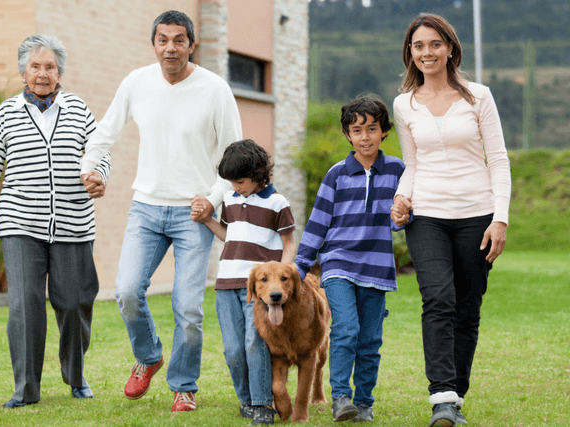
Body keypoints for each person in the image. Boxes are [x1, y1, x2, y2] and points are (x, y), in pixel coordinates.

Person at [79, 10, 242, 412]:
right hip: (146, 208)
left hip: (195, 214)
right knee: (127, 291)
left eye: (179, 40)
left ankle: (183, 386)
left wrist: (214, 198)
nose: (171, 47)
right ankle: (149, 357)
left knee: (187, 307)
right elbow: (102, 136)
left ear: (191, 45)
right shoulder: (137, 82)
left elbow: (236, 155)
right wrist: (89, 170)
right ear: (153, 44)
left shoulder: (215, 89)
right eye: (163, 40)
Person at [0, 34, 111, 409]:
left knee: (76, 302)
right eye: (35, 66)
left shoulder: (78, 109)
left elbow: (100, 152)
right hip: (20, 223)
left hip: (74, 222)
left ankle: (75, 376)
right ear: (22, 72)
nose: (43, 74)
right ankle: (26, 388)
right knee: (25, 305)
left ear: (59, 71)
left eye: (49, 66)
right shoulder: (7, 112)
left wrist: (98, 175)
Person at [390, 13, 511, 427]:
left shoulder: (479, 96)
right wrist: (402, 196)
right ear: (411, 52)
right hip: (427, 216)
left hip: (477, 214)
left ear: (450, 48)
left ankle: (455, 395)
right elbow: (412, 163)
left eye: (435, 44)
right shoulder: (403, 103)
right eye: (419, 46)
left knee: (467, 305)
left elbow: (497, 159)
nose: (427, 53)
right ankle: (441, 397)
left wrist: (501, 218)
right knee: (438, 298)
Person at [295, 95, 409, 423]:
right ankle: (340, 397)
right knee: (346, 328)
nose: (365, 137)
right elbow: (318, 222)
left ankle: (364, 402)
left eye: (372, 129)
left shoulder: (397, 170)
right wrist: (302, 264)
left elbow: (400, 216)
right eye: (357, 130)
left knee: (370, 339)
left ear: (384, 131)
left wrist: (403, 218)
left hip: (376, 267)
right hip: (338, 263)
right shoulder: (336, 175)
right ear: (348, 135)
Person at [190, 139, 295, 425]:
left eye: (240, 181)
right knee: (232, 349)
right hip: (225, 284)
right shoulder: (231, 200)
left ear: (259, 174)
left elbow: (289, 242)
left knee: (254, 343)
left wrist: (282, 277)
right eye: (232, 182)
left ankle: (262, 404)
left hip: (258, 289)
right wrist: (207, 219)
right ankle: (245, 400)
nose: (236, 187)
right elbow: (230, 235)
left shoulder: (278, 203)